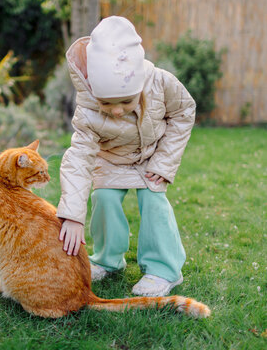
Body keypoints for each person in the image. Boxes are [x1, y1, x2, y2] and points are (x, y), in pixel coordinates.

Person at [56, 16, 195, 297]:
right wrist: (72, 215)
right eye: (107, 103)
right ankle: (107, 259)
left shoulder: (159, 82)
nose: (117, 110)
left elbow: (184, 112)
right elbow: (79, 158)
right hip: (112, 158)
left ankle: (163, 270)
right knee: (105, 198)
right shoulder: (88, 108)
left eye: (126, 101)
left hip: (151, 156)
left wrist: (164, 163)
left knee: (153, 200)